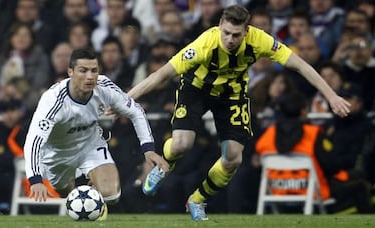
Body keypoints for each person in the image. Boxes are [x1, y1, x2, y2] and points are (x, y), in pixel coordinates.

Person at [126, 4, 351, 220]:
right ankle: (163, 166)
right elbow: (161, 74)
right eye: (226, 33)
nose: (230, 39)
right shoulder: (204, 44)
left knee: (233, 158)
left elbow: (300, 65)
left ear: (247, 30)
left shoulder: (260, 40)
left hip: (232, 94)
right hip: (197, 89)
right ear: (219, 25)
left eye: (236, 35)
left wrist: (331, 96)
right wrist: (126, 100)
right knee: (181, 145)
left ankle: (197, 199)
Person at [23, 48, 168, 219]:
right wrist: (35, 180)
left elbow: (135, 111)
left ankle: (95, 198)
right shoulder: (53, 101)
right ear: (70, 72)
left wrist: (148, 149)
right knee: (66, 194)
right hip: (57, 154)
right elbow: (33, 141)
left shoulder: (104, 87)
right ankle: (88, 193)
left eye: (94, 70)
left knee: (112, 196)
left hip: (90, 144)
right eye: (83, 71)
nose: (90, 77)